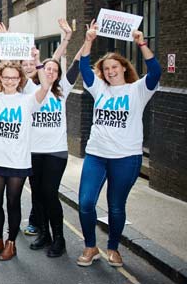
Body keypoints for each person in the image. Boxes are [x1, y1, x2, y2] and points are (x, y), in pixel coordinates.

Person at [76, 21, 161, 267]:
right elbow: (83, 65)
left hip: (126, 158)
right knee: (86, 203)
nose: (111, 71)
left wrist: (141, 44)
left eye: (115, 66)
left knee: (115, 207)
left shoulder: (138, 90)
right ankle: (91, 246)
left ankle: (113, 248)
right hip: (96, 155)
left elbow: (155, 72)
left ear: (124, 68)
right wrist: (89, 39)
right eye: (106, 68)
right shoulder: (99, 88)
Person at [0, 47, 51, 261]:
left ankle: (11, 243)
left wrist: (37, 60)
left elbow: (45, 87)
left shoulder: (27, 100)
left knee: (13, 203)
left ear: (20, 79)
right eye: (6, 77)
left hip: (17, 161)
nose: (10, 81)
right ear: (0, 78)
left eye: (14, 77)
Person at [27, 32, 82, 258]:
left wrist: (84, 41)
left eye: (54, 69)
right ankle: (44, 234)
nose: (50, 71)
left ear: (58, 74)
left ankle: (59, 238)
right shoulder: (30, 89)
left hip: (56, 152)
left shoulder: (62, 90)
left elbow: (78, 63)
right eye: (46, 69)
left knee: (50, 194)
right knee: (37, 195)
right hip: (32, 152)